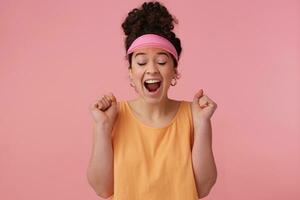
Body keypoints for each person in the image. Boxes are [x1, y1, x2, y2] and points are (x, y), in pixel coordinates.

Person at [86, 1, 218, 200]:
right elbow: (102, 189)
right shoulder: (112, 116)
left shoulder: (194, 115)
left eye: (162, 61)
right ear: (131, 72)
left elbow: (203, 188)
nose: (152, 69)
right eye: (141, 62)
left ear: (174, 71)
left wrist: (202, 124)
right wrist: (102, 127)